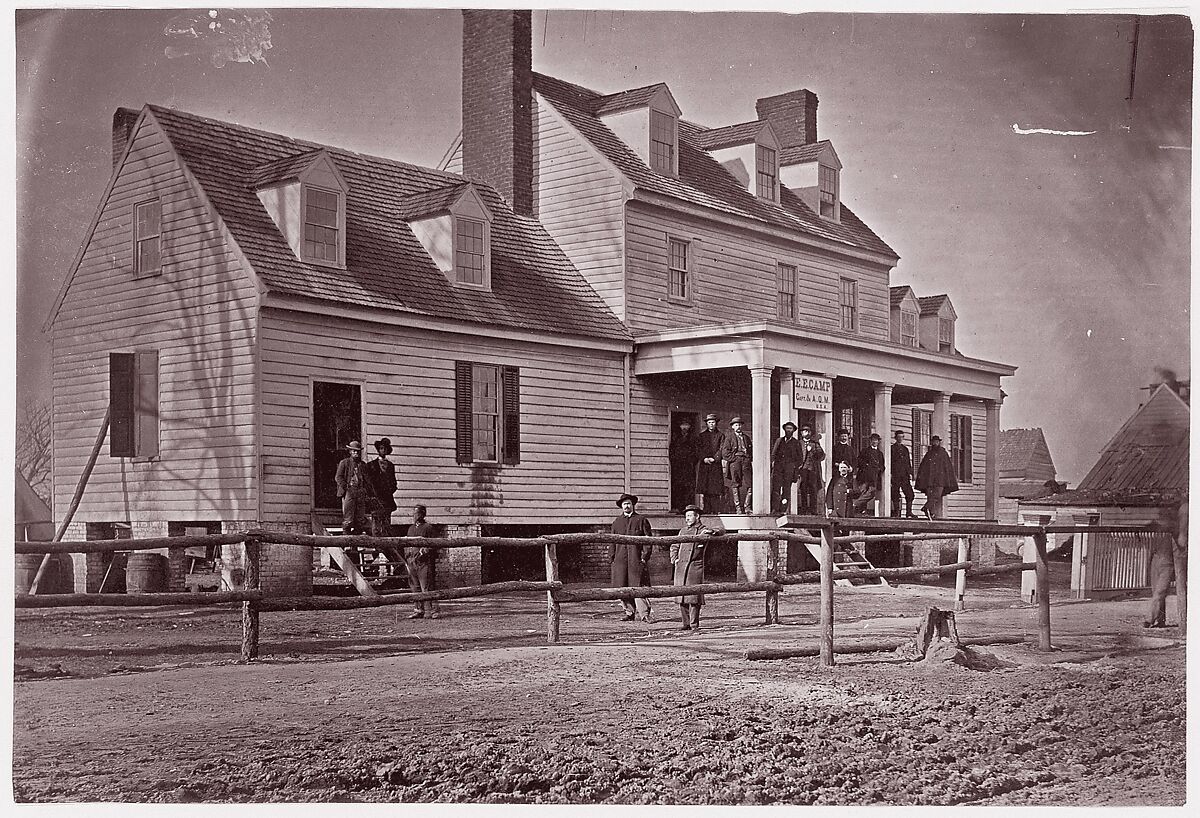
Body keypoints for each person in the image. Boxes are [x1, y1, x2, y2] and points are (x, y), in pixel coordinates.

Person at [672, 505, 721, 631]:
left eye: (690, 516)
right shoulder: (682, 531)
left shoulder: (702, 529)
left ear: (697, 516)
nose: (687, 519)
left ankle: (694, 625)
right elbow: (674, 545)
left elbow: (721, 530)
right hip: (681, 566)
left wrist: (710, 532)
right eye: (686, 516)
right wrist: (674, 559)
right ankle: (685, 623)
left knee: (694, 597)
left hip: (695, 566)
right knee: (681, 597)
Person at [1145, 496, 1188, 630]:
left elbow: (1181, 540)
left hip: (1168, 562)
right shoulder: (1158, 523)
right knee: (1156, 592)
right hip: (1157, 558)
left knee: (1160, 591)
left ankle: (1149, 619)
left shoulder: (1180, 518)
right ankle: (1160, 619)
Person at [610, 493, 653, 622]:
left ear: (633, 505)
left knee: (638, 586)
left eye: (628, 503)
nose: (626, 506)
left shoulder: (641, 520)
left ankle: (644, 614)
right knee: (622, 586)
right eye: (624, 504)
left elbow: (648, 541)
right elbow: (612, 542)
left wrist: (644, 557)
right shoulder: (617, 522)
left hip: (636, 559)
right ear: (621, 507)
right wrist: (612, 558)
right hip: (620, 560)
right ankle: (629, 612)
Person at [404, 505, 440, 619]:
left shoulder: (428, 528)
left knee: (426, 587)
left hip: (423, 563)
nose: (414, 516)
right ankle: (418, 610)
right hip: (412, 561)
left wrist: (425, 551)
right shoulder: (411, 529)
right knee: (415, 587)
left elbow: (436, 544)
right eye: (414, 513)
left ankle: (432, 611)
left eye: (417, 513)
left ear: (422, 515)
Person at [334, 440, 375, 535]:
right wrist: (346, 487)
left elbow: (367, 480)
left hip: (360, 492)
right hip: (349, 491)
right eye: (353, 451)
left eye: (357, 451)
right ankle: (346, 540)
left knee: (360, 518)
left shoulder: (363, 465)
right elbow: (338, 477)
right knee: (348, 518)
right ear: (350, 452)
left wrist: (366, 491)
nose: (356, 453)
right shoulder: (344, 463)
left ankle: (355, 545)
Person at [915, 435, 958, 519]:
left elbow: (947, 467)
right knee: (930, 496)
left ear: (939, 442)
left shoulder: (943, 453)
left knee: (937, 495)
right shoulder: (929, 454)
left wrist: (947, 480)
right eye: (933, 442)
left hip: (940, 480)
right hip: (930, 481)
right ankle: (930, 514)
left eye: (937, 442)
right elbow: (923, 467)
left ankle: (926, 508)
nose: (935, 443)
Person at [364, 437, 398, 537]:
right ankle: (377, 548)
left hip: (387, 500)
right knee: (376, 526)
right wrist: (373, 496)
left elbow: (393, 483)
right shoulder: (371, 465)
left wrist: (389, 491)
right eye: (381, 448)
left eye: (385, 449)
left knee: (386, 525)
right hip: (376, 499)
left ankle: (386, 548)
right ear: (378, 450)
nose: (383, 450)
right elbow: (368, 483)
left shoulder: (391, 466)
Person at [719, 416, 753, 514]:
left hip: (746, 462)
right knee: (735, 483)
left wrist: (748, 458)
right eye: (736, 425)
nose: (738, 427)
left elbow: (751, 451)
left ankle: (747, 507)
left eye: (740, 425)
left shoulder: (746, 438)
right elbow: (725, 452)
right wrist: (734, 459)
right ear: (733, 427)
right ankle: (738, 508)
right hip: (735, 462)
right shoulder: (729, 438)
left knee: (750, 484)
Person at [695, 414, 726, 514]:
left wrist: (715, 458)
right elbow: (698, 449)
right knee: (706, 488)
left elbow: (722, 449)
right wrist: (704, 458)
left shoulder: (721, 436)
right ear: (707, 424)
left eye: (713, 422)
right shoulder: (702, 436)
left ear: (716, 423)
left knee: (715, 489)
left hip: (715, 465)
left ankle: (715, 509)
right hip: (705, 465)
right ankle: (706, 509)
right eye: (709, 422)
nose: (711, 424)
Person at [771, 421, 803, 513]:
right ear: (784, 429)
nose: (788, 430)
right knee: (776, 489)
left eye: (790, 428)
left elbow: (800, 459)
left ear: (793, 430)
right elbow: (774, 454)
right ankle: (775, 508)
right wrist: (774, 464)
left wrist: (793, 468)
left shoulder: (796, 443)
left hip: (789, 471)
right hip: (778, 469)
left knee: (786, 490)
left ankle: (783, 509)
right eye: (787, 428)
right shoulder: (779, 441)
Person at [668, 418, 699, 512]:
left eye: (687, 425)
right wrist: (675, 462)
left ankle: (688, 507)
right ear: (680, 426)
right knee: (678, 487)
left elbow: (696, 452)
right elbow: (672, 451)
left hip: (689, 466)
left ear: (689, 427)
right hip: (678, 467)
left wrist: (692, 461)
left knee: (689, 487)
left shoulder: (693, 438)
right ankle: (679, 507)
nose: (685, 427)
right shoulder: (675, 437)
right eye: (683, 425)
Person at [795, 425, 825, 515]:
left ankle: (813, 510)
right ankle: (803, 509)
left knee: (813, 489)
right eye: (804, 431)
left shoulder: (815, 444)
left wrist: (812, 451)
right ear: (801, 433)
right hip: (802, 470)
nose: (806, 433)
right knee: (803, 489)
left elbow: (821, 455)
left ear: (810, 433)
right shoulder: (798, 443)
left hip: (812, 470)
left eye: (808, 431)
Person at [855, 433, 885, 517]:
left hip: (874, 477)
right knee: (863, 492)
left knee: (871, 493)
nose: (874, 442)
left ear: (878, 442)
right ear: (870, 441)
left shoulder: (880, 454)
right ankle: (862, 511)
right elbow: (859, 461)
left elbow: (882, 466)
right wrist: (867, 466)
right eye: (873, 440)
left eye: (876, 440)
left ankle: (855, 505)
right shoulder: (865, 451)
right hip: (864, 476)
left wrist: (879, 469)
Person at [890, 430, 918, 519]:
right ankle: (896, 512)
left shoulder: (905, 449)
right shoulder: (892, 449)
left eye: (902, 437)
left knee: (910, 494)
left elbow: (908, 463)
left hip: (904, 475)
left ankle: (908, 512)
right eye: (898, 437)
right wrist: (890, 474)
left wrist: (910, 473)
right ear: (895, 438)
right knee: (895, 494)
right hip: (895, 475)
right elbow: (890, 462)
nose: (900, 439)